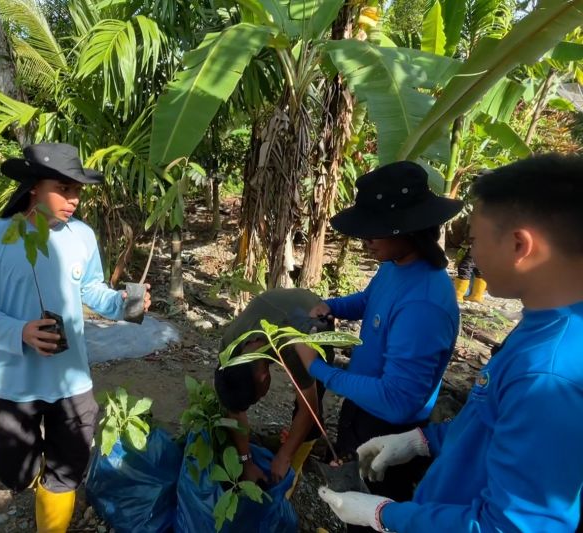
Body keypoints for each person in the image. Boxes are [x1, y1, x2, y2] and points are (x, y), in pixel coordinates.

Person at [318, 154, 583, 532]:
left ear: (520, 245)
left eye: (474, 240)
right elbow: (488, 425)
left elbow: (509, 526)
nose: (470, 255)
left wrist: (385, 515)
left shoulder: (548, 373)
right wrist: (423, 440)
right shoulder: (542, 326)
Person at [0, 143, 151, 533]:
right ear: (32, 187)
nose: (74, 200)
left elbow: (91, 289)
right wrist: (19, 332)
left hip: (72, 379)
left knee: (67, 471)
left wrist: (127, 304)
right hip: (17, 382)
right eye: (64, 188)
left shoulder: (81, 237)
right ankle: (31, 474)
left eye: (78, 190)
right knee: (16, 472)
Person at [295, 161, 462, 527]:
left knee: (375, 516)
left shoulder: (424, 304)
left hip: (389, 432)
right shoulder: (396, 264)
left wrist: (317, 368)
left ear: (408, 230)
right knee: (350, 496)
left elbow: (397, 400)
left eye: (374, 230)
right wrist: (333, 306)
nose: (365, 239)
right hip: (362, 407)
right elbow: (371, 299)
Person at [214, 288, 335, 496]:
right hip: (276, 311)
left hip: (314, 317)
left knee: (310, 409)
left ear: (264, 378)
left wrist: (284, 455)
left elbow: (309, 407)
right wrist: (246, 462)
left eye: (259, 397)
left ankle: (296, 466)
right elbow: (233, 409)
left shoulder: (296, 349)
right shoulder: (229, 348)